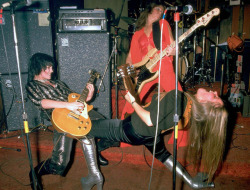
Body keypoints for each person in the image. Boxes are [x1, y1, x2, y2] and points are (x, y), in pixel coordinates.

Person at [88, 88, 228, 189]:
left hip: (132, 129)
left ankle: (92, 175)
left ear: (206, 105)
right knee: (164, 156)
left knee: (86, 127)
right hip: (151, 135)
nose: (215, 92)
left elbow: (149, 120)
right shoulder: (189, 109)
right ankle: (192, 182)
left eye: (215, 97)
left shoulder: (179, 97)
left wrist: (132, 102)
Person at [26, 53, 116, 190]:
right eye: (47, 68)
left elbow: (77, 100)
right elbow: (42, 103)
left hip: (78, 113)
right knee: (59, 164)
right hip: (61, 120)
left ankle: (95, 153)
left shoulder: (58, 83)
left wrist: (89, 94)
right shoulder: (32, 85)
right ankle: (34, 173)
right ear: (37, 68)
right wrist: (67, 105)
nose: (51, 71)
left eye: (52, 67)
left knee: (110, 132)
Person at [121, 2, 183, 119]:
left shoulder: (163, 24)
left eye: (162, 10)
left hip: (163, 66)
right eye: (158, 9)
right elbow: (130, 56)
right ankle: (123, 127)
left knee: (178, 99)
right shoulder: (137, 34)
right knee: (131, 100)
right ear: (149, 10)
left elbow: (173, 46)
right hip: (146, 70)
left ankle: (179, 135)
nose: (161, 12)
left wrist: (174, 51)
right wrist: (131, 71)